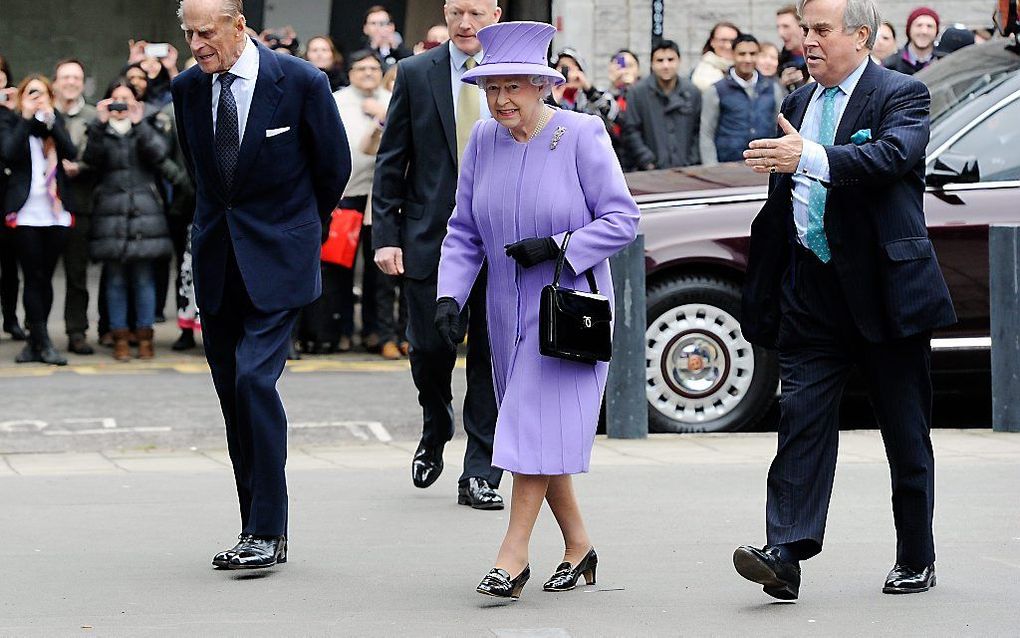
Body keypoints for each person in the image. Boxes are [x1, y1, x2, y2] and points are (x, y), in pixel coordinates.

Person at [735, 0, 955, 599]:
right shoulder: (798, 104)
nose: (808, 40)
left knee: (905, 433)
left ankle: (916, 555)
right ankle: (785, 552)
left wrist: (806, 156)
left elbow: (891, 158)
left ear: (862, 36)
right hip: (812, 292)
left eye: (821, 30)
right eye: (805, 29)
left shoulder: (900, 94)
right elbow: (788, 199)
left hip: (886, 293)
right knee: (800, 423)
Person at [437, 21, 639, 599]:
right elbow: (464, 230)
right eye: (491, 88)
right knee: (537, 430)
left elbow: (622, 220)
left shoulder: (580, 133)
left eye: (513, 87)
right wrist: (451, 295)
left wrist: (560, 246)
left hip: (568, 310)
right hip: (503, 310)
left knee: (530, 424)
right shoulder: (482, 139)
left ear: (540, 86)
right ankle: (580, 547)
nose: (501, 100)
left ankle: (512, 554)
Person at [171, 0, 350, 570]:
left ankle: (269, 531)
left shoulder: (298, 81)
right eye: (189, 33)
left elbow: (334, 168)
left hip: (280, 260)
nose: (197, 44)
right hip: (218, 262)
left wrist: (300, 230)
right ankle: (254, 525)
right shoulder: (188, 89)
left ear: (238, 25)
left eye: (206, 32)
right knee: (232, 398)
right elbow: (199, 174)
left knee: (254, 382)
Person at [372, 0, 505, 510]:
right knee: (429, 349)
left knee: (492, 358)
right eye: (455, 12)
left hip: (501, 239)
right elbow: (392, 162)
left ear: (495, 13)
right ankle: (435, 423)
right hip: (432, 239)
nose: (465, 23)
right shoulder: (414, 72)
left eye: (475, 12)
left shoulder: (514, 75)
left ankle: (481, 469)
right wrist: (386, 236)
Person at [84, 79, 173, 361]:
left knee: (144, 279)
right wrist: (99, 125)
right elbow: (91, 160)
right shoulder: (99, 131)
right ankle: (120, 337)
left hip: (145, 212)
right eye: (115, 99)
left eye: (126, 99)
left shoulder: (147, 126)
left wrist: (139, 124)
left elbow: (159, 154)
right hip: (110, 212)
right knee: (115, 279)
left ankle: (145, 338)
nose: (121, 105)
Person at [0, 74, 76, 365]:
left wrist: (51, 122)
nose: (37, 98)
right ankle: (43, 343)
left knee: (45, 278)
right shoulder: (11, 122)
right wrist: (26, 117)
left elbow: (70, 151)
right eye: (31, 93)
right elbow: (7, 153)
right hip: (26, 211)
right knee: (32, 277)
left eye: (42, 93)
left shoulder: (54, 123)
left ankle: (35, 343)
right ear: (21, 98)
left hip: (55, 210)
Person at [333, 50, 393, 357]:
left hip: (382, 197)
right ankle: (342, 328)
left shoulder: (391, 98)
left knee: (379, 269)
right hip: (347, 194)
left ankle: (375, 331)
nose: (369, 72)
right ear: (351, 72)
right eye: (362, 68)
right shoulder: (338, 100)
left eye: (374, 67)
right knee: (341, 267)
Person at [53, 58, 98, 356]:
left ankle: (77, 330)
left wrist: (82, 167)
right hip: (42, 206)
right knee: (39, 275)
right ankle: (35, 330)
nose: (70, 82)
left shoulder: (94, 117)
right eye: (65, 77)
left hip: (79, 204)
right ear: (55, 82)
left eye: (76, 77)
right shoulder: (43, 113)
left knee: (77, 273)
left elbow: (104, 160)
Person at [700, 34, 784, 165]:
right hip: (728, 166)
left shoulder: (772, 88)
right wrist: (711, 168)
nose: (747, 59)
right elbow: (706, 134)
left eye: (752, 54)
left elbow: (781, 128)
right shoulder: (717, 90)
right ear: (733, 55)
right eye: (742, 54)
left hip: (764, 165)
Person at [621, 40, 701, 170]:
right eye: (659, 60)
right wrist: (647, 160)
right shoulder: (637, 93)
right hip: (650, 171)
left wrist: (692, 161)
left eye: (670, 60)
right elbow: (631, 130)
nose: (666, 65)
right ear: (652, 64)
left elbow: (698, 131)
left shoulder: (692, 92)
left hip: (686, 169)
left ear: (679, 61)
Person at [0, 53, 27, 343]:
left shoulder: (15, 110)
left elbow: (14, 149)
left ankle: (11, 318)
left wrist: (11, 111)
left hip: (8, 197)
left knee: (10, 266)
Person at [549, 48, 618, 126]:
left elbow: (612, 115)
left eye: (572, 67)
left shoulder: (594, 94)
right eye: (563, 67)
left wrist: (589, 90)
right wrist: (553, 99)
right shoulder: (547, 94)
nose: (567, 72)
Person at [607, 49, 640, 171]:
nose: (625, 70)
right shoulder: (605, 97)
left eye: (630, 66)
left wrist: (631, 89)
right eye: (620, 66)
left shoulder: (645, 95)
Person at [884, 7, 940, 75]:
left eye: (930, 26)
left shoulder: (944, 61)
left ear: (936, 31)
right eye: (919, 25)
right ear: (909, 30)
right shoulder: (890, 64)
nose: (924, 31)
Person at [691, 22, 740, 91]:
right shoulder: (700, 73)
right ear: (712, 42)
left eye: (733, 41)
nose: (728, 46)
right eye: (723, 40)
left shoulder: (750, 69)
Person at [363, 5, 412, 70]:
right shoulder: (358, 52)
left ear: (392, 27)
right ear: (365, 29)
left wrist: (396, 49)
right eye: (373, 23)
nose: (378, 28)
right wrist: (373, 48)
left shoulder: (406, 54)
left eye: (383, 23)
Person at [776, 5, 808, 91]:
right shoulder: (779, 60)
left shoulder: (820, 56)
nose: (781, 33)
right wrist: (781, 86)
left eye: (786, 26)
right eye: (778, 27)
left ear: (802, 26)